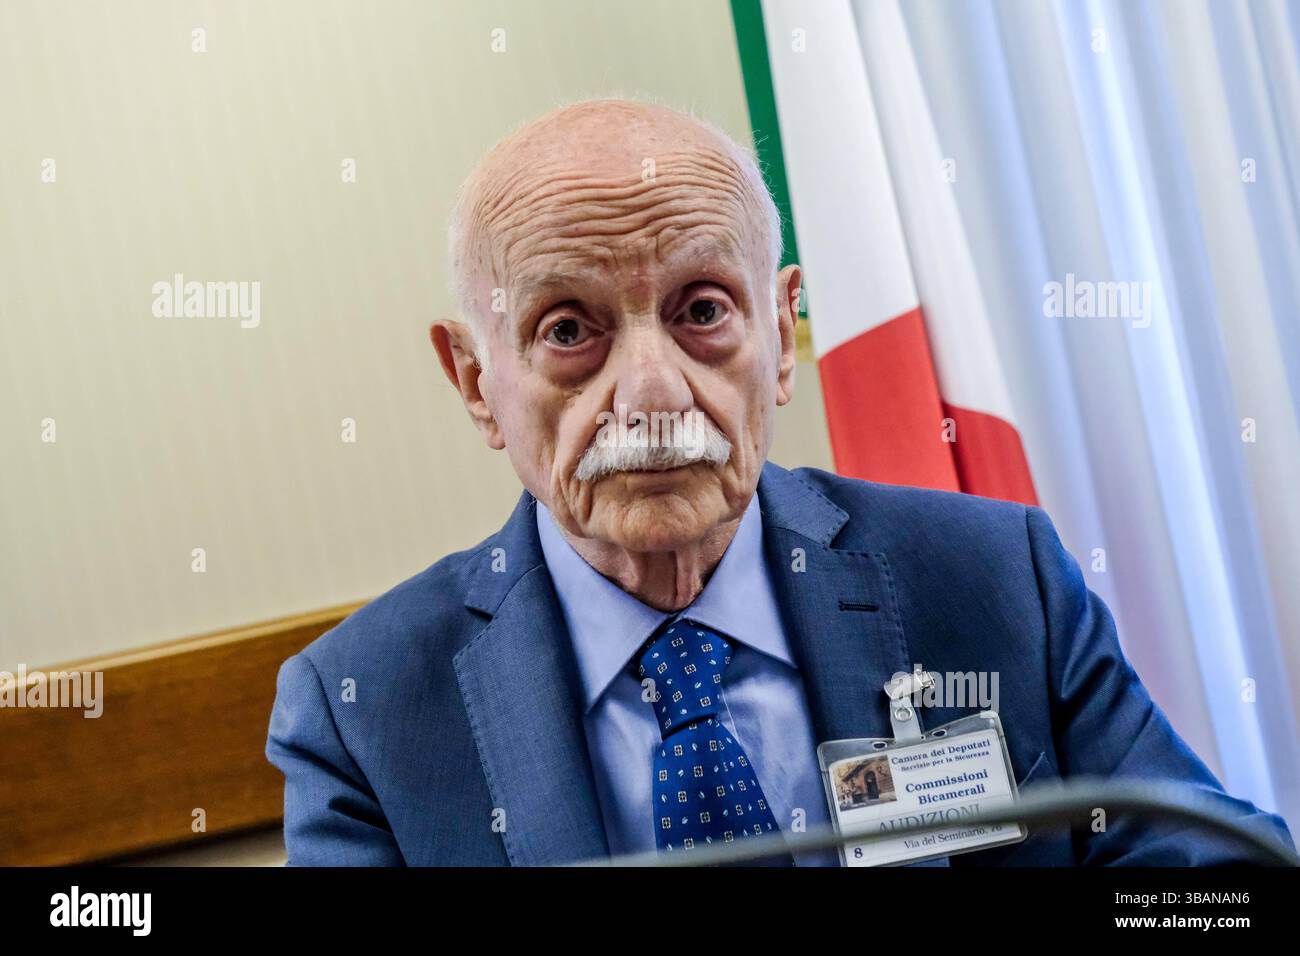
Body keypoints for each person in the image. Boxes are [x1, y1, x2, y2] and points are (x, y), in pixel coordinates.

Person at [266, 98, 1294, 866]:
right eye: (569, 329)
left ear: (781, 327)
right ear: (475, 382)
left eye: (703, 310)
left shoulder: (993, 578)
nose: (652, 391)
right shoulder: (364, 712)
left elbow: (1212, 880)